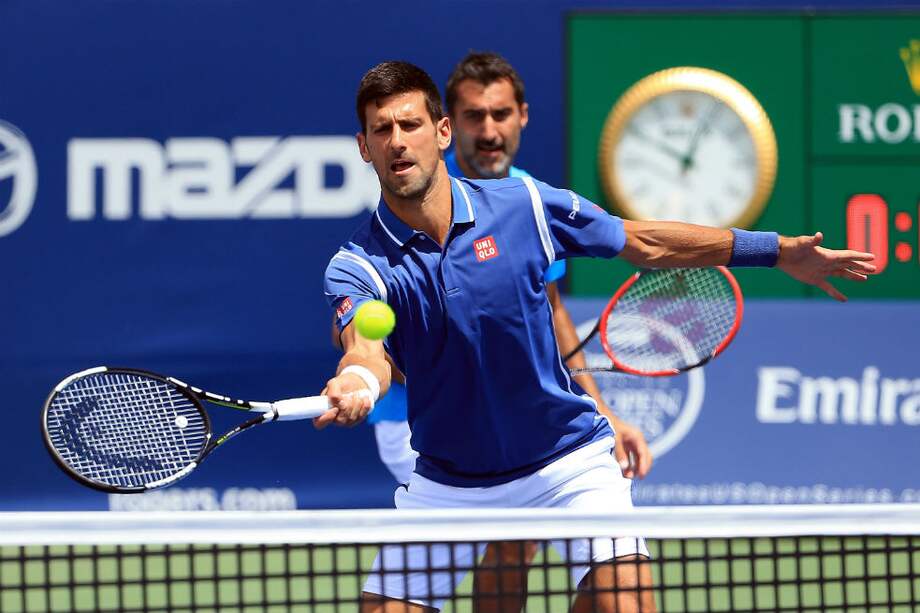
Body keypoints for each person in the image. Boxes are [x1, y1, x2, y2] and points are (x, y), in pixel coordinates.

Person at [318, 61, 874, 613]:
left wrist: (775, 251)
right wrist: (358, 380)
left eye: (410, 124)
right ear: (365, 147)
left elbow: (644, 242)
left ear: (441, 133)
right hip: (450, 484)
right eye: (382, 129)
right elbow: (366, 351)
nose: (397, 141)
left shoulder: (524, 207)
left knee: (626, 605)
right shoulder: (357, 265)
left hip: (566, 463)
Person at [356, 51, 650, 494]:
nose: (489, 132)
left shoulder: (527, 196)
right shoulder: (421, 187)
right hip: (415, 422)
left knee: (530, 509)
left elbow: (551, 309)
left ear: (522, 117)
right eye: (475, 116)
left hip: (505, 416)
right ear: (449, 126)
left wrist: (601, 409)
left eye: (501, 115)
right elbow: (371, 337)